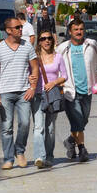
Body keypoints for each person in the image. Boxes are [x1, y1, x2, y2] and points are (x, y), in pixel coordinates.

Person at [0, 17, 38, 170]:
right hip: (5, 93)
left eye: (20, 27)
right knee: (7, 127)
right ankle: (8, 158)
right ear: (8, 31)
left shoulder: (27, 46)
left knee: (24, 123)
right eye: (17, 27)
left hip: (24, 92)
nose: (20, 29)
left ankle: (20, 151)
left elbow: (35, 68)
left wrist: (32, 87)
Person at [30, 27, 67, 168]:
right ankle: (39, 157)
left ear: (53, 40)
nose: (47, 41)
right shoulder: (34, 57)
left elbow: (65, 75)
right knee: (39, 127)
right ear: (39, 42)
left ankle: (50, 156)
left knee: (50, 127)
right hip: (38, 95)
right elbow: (29, 73)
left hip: (52, 95)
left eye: (49, 38)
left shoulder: (58, 57)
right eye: (43, 39)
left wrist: (54, 82)